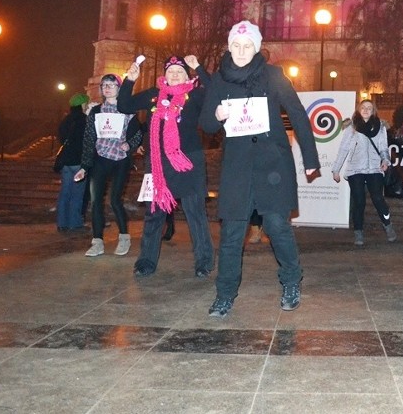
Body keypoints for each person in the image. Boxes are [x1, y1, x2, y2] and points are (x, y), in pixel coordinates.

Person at [200, 21, 320, 317]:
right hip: (237, 169)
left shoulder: (273, 75)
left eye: (248, 46)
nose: (241, 51)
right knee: (231, 234)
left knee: (278, 227)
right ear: (229, 47)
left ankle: (292, 281)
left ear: (256, 48)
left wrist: (311, 159)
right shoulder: (218, 80)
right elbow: (206, 124)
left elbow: (298, 116)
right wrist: (216, 114)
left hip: (272, 164)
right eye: (236, 46)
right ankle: (225, 294)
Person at [118, 54, 215, 278]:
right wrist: (129, 81)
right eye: (170, 71)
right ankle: (146, 262)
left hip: (188, 161)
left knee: (195, 213)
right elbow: (124, 105)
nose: (174, 74)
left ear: (186, 76)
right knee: (154, 214)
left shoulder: (195, 95)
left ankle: (204, 262)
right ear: (165, 75)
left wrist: (199, 67)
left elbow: (214, 92)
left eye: (179, 71)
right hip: (158, 164)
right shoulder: (154, 95)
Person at [75, 74, 142, 257]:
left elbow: (137, 134)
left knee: (114, 199)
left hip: (120, 159)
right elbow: (89, 139)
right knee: (96, 200)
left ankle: (123, 237)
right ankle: (97, 242)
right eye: (104, 85)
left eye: (112, 85)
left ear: (119, 89)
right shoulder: (95, 111)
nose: (107, 88)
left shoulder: (127, 110)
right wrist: (84, 166)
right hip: (100, 158)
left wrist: (129, 145)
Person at [331, 99, 397, 246]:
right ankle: (358, 232)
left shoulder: (380, 127)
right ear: (358, 110)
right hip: (356, 169)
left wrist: (385, 161)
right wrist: (336, 169)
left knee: (378, 198)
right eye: (363, 107)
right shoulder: (352, 127)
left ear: (373, 111)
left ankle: (388, 225)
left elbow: (383, 147)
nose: (366, 110)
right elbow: (344, 149)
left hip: (374, 168)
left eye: (369, 108)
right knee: (359, 201)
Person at [55, 92, 89, 232]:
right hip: (78, 162)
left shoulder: (66, 120)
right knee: (77, 194)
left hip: (66, 162)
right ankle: (75, 223)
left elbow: (62, 139)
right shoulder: (85, 120)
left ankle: (61, 223)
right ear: (82, 104)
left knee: (65, 192)